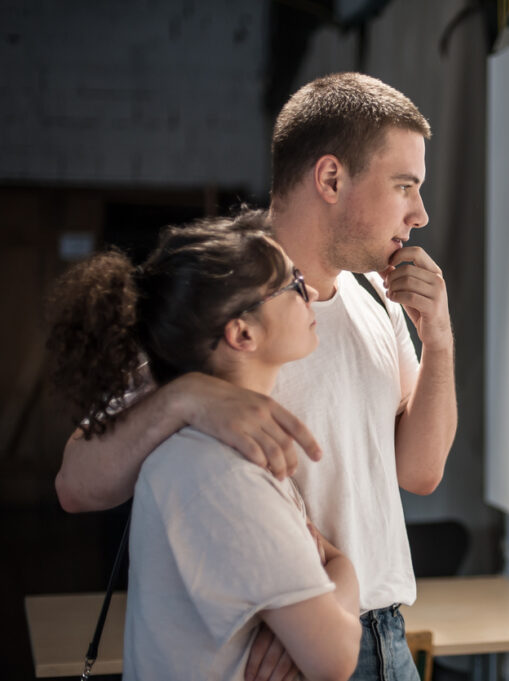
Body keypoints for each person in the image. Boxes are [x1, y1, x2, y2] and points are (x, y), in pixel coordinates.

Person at [55, 73, 457, 681]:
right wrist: (185, 399)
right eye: (405, 186)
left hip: (386, 634)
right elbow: (76, 484)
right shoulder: (221, 300)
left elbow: (419, 473)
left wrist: (441, 340)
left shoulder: (379, 298)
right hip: (283, 653)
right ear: (331, 179)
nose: (419, 214)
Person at [46, 214, 362, 680]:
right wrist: (343, 572)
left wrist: (336, 571)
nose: (311, 291)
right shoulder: (224, 475)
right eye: (293, 284)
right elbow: (335, 659)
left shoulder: (205, 452)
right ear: (242, 333)